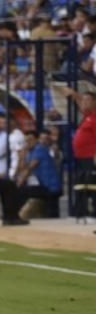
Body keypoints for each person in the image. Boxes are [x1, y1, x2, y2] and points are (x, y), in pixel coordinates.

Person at [17, 130, 62, 218]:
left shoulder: (40, 149)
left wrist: (20, 182)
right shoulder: (30, 152)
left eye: (30, 140)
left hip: (51, 186)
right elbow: (22, 168)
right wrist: (22, 154)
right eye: (26, 141)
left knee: (22, 191)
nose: (28, 143)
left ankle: (18, 215)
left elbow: (30, 168)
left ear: (36, 140)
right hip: (44, 185)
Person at [71, 92, 96, 220]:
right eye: (83, 100)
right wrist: (76, 96)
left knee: (92, 183)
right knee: (81, 182)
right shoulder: (87, 116)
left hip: (90, 156)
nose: (84, 102)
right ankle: (80, 210)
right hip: (81, 156)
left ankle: (92, 210)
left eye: (88, 100)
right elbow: (81, 106)